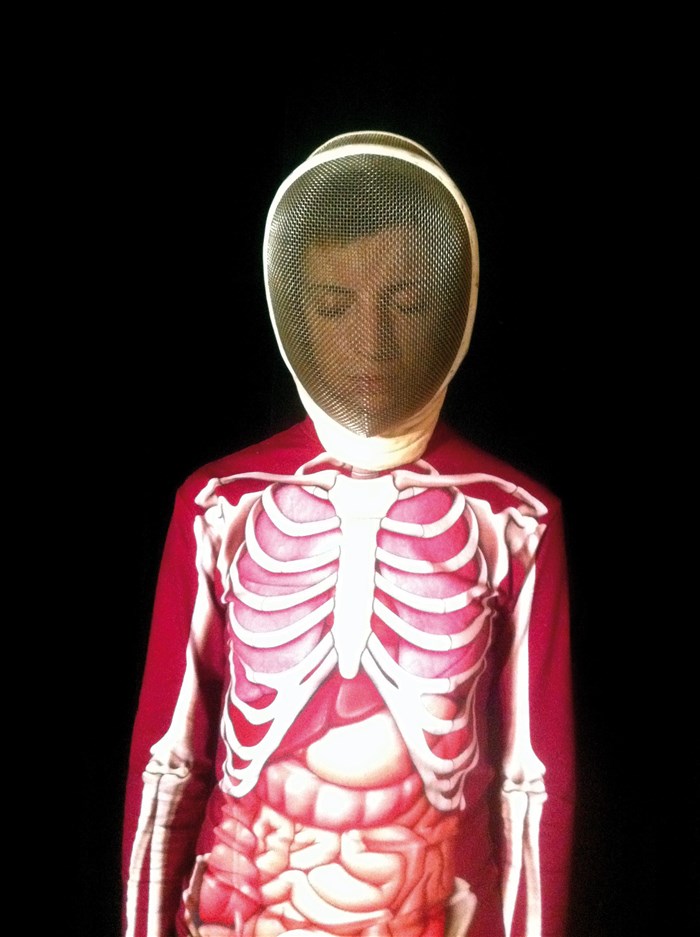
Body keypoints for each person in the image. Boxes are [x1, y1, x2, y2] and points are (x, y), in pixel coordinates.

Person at [122, 131, 575, 937]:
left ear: (455, 303)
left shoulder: (515, 517)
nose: (372, 342)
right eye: (335, 306)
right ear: (292, 310)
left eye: (407, 303)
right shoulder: (219, 504)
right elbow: (169, 761)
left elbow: (532, 787)